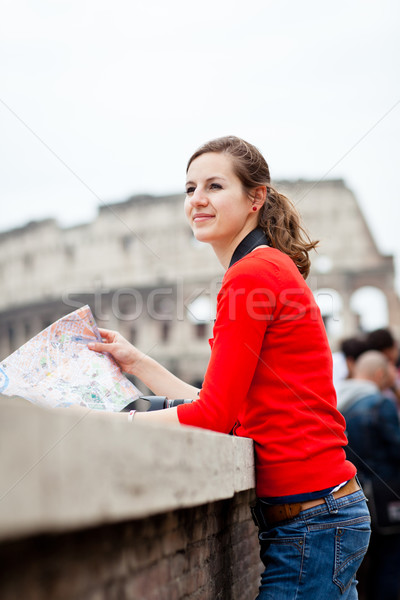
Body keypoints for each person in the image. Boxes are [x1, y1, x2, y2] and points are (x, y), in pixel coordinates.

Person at [89, 136, 370, 599]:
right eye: (189, 188)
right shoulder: (266, 269)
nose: (197, 199)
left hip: (311, 521)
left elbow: (212, 417)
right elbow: (223, 405)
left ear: (255, 197)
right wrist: (137, 362)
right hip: (322, 515)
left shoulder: (251, 276)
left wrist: (115, 425)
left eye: (215, 186)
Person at [338, 351, 400, 600]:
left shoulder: (341, 403)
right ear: (378, 374)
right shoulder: (379, 403)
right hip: (386, 497)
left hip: (354, 496)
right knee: (390, 563)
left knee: (363, 566)